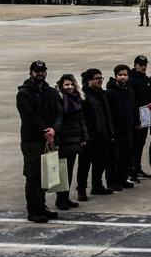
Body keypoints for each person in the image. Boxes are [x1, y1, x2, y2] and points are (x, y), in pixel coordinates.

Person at [17, 61, 61, 222]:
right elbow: (29, 117)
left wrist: (54, 129)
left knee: (45, 176)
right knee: (32, 175)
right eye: (37, 71)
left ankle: (42, 206)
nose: (40, 73)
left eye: (42, 71)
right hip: (32, 141)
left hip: (48, 138)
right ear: (31, 73)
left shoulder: (50, 92)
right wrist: (45, 131)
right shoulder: (24, 93)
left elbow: (59, 113)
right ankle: (33, 210)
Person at [78, 68, 115, 196]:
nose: (100, 80)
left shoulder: (102, 94)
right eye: (97, 78)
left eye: (101, 78)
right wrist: (85, 135)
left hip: (103, 135)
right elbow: (82, 118)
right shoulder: (84, 96)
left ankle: (97, 186)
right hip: (90, 137)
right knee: (85, 165)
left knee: (100, 163)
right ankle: (81, 190)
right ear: (89, 81)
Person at [52, 74, 86, 211]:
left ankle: (65, 198)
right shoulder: (59, 99)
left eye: (71, 84)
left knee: (69, 171)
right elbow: (57, 120)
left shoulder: (78, 99)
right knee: (62, 172)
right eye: (66, 84)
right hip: (63, 140)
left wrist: (84, 137)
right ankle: (60, 199)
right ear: (61, 86)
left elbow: (81, 120)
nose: (70, 87)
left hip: (74, 139)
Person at [105, 64, 138, 190]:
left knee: (126, 156)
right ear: (116, 76)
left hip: (127, 129)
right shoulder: (110, 93)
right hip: (116, 130)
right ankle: (112, 182)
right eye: (120, 75)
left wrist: (135, 122)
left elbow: (133, 108)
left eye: (125, 75)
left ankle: (122, 179)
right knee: (114, 158)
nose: (123, 77)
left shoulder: (130, 91)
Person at [128, 55, 151, 179]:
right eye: (140, 64)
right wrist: (136, 120)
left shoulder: (146, 79)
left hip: (145, 117)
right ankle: (130, 169)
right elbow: (132, 102)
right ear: (135, 65)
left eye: (145, 64)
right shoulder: (131, 80)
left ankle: (137, 167)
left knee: (141, 143)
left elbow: (148, 97)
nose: (143, 66)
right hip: (136, 119)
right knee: (133, 144)